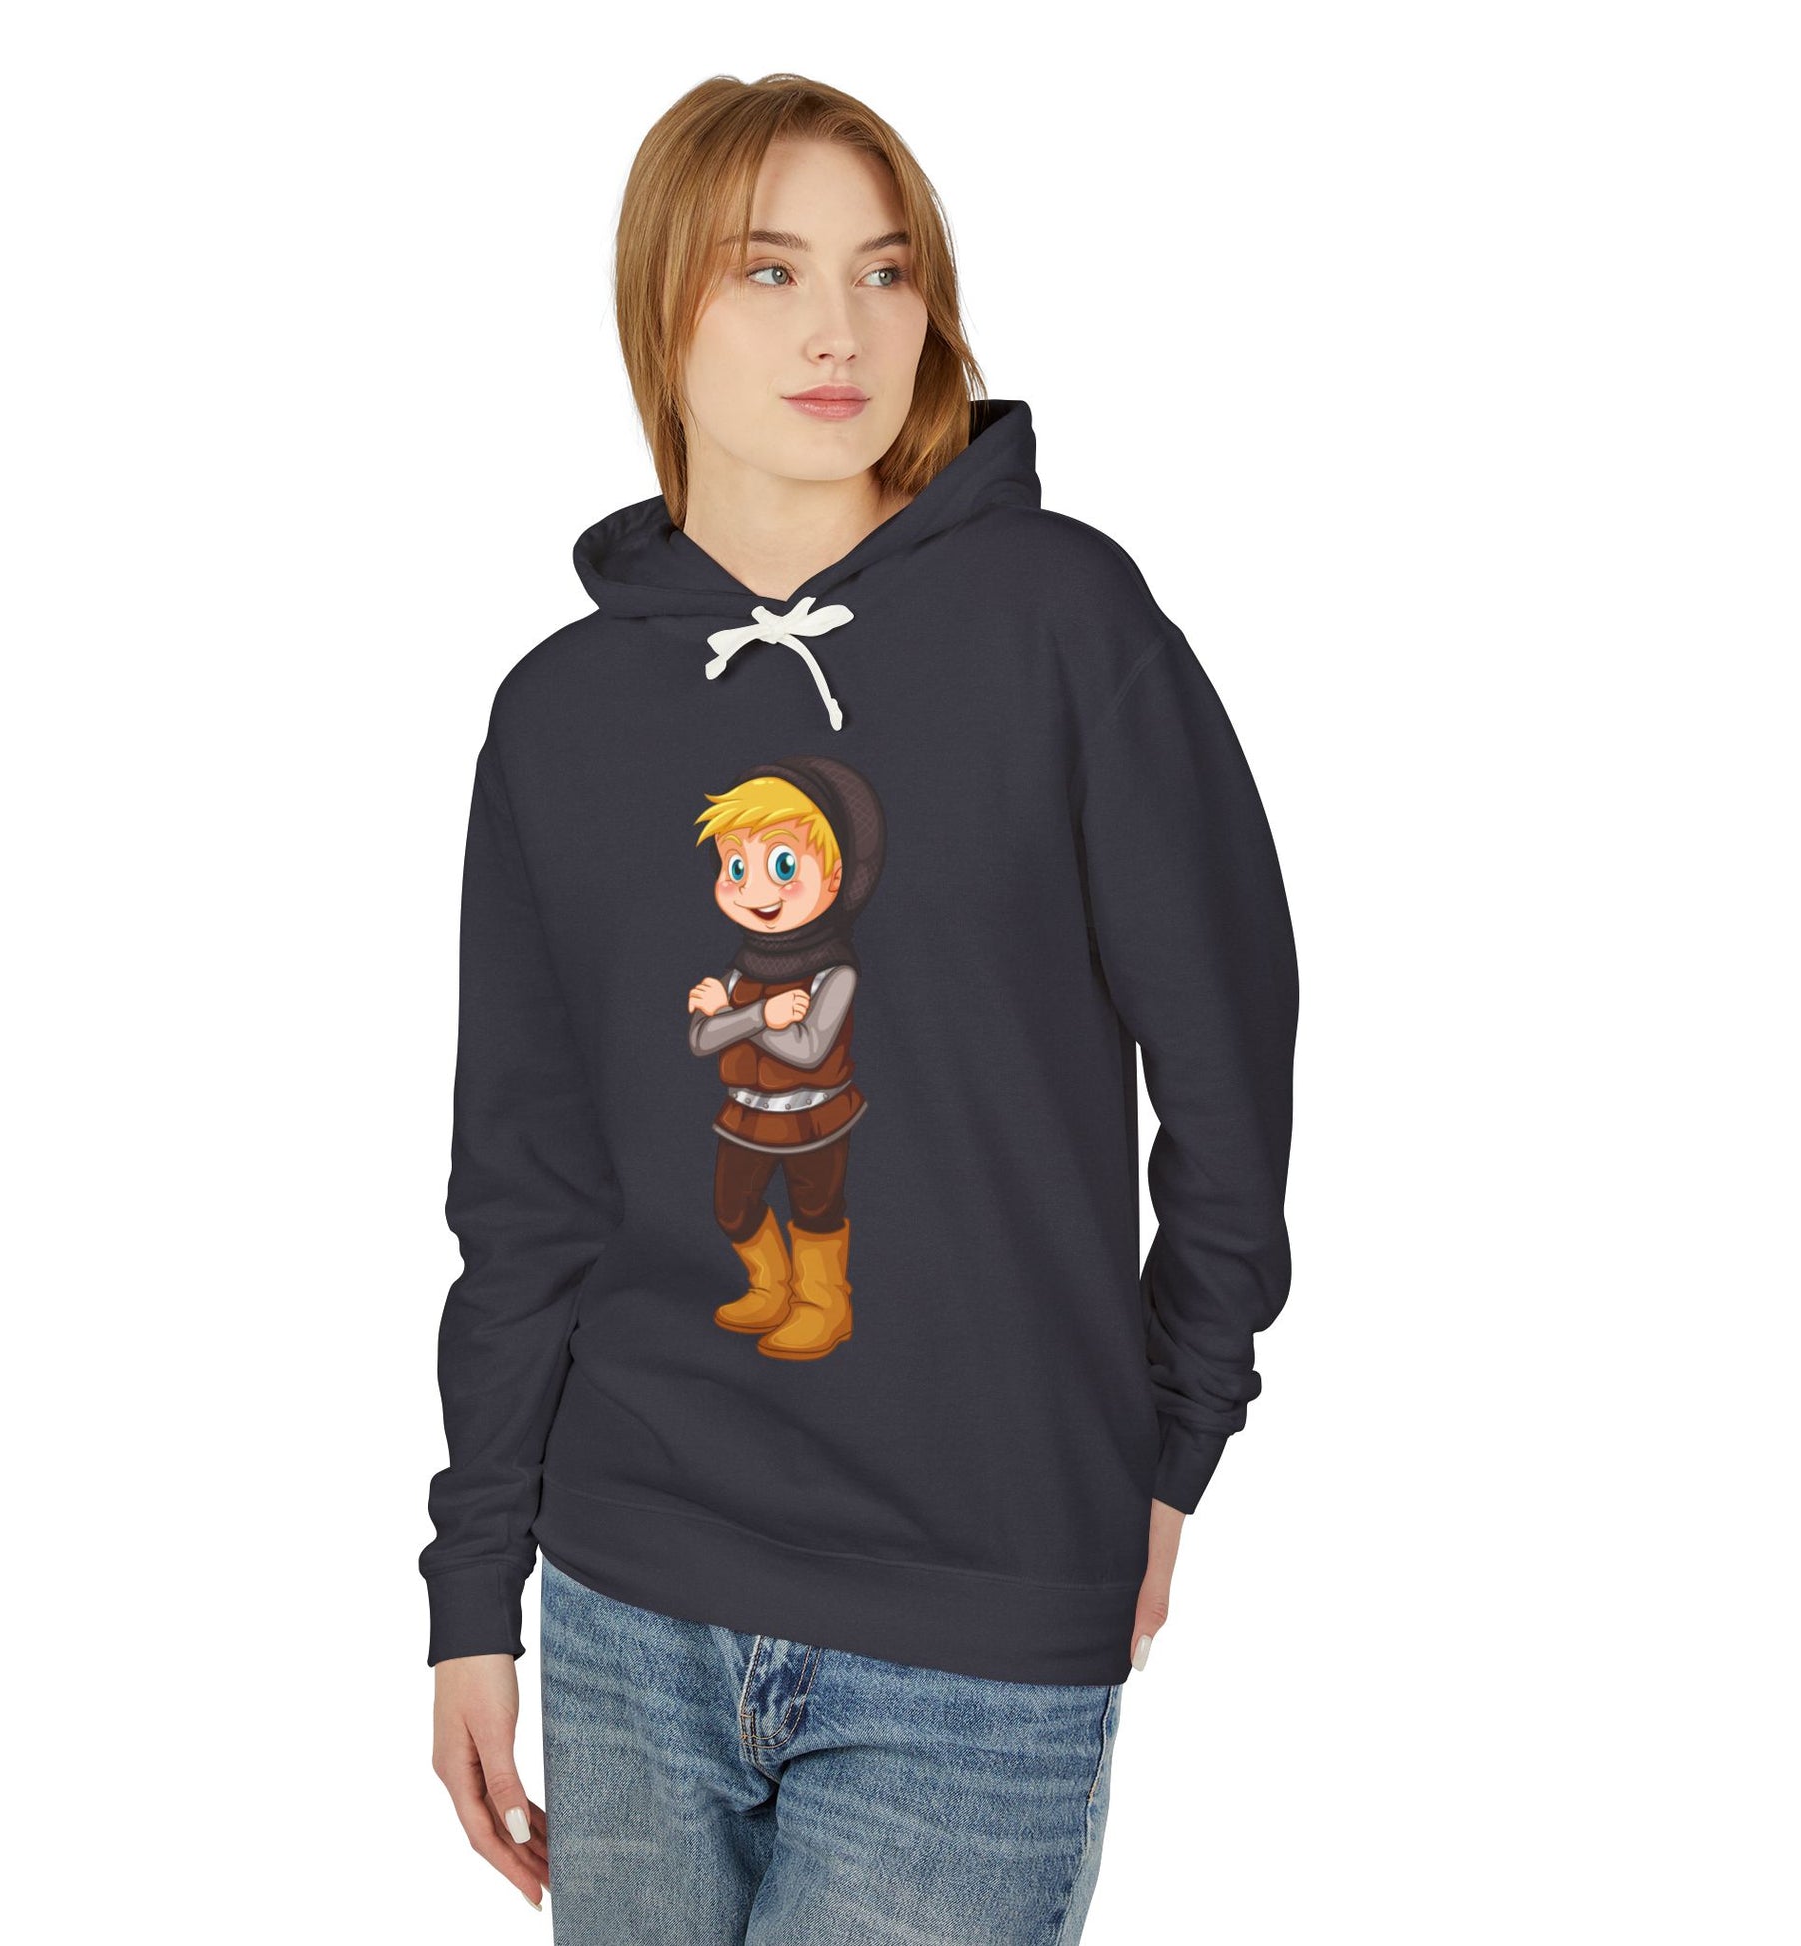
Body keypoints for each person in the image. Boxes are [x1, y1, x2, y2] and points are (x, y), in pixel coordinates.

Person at [421, 72, 1298, 1943]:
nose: (840, 327)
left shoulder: (1065, 625)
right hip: (629, 1590)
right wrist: (472, 1591)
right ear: (660, 306)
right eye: (769, 270)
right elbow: (527, 1191)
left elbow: (1229, 1077)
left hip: (973, 1617)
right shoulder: (560, 715)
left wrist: (1172, 1442)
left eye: (885, 271)